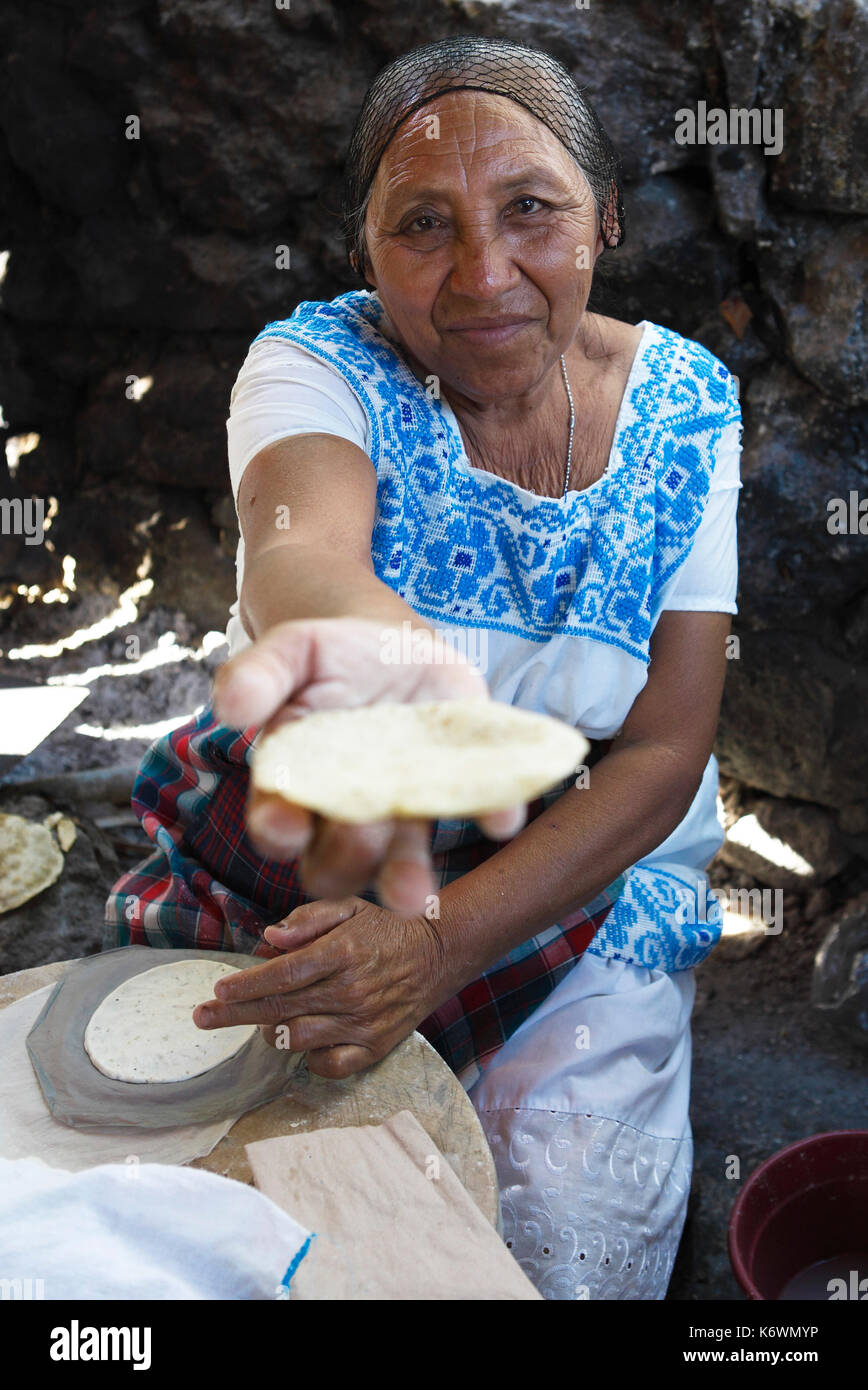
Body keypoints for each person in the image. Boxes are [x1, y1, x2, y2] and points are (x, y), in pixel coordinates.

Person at [105, 35, 742, 1300]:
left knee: (548, 1242)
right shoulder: (314, 366)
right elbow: (298, 561)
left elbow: (666, 749)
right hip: (328, 834)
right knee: (237, 1228)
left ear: (605, 220)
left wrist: (437, 942)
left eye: (530, 211)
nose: (483, 274)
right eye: (423, 226)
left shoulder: (686, 410)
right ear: (364, 254)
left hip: (580, 869)